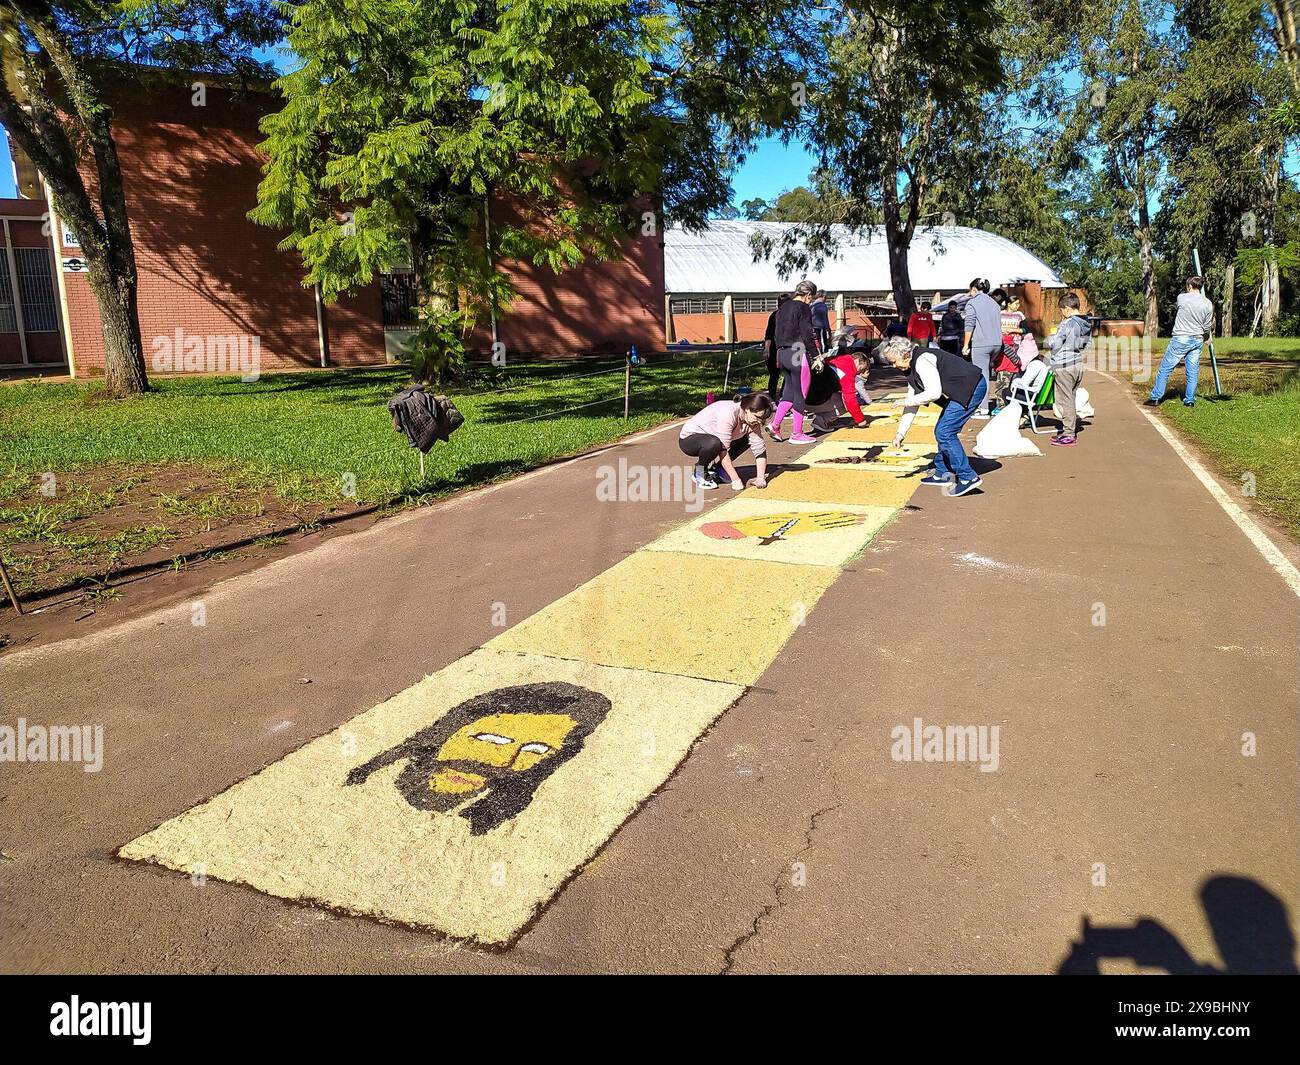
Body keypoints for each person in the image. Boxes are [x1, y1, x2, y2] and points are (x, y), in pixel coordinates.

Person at [880, 342, 988, 497]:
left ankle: (967, 477)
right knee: (942, 430)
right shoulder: (910, 368)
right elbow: (913, 401)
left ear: (904, 355)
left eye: (893, 362)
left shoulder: (922, 360)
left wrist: (905, 401)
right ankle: (942, 472)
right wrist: (900, 433)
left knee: (944, 432)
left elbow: (934, 393)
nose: (893, 366)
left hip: (972, 386)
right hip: (963, 388)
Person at [679, 392, 773, 490]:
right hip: (689, 440)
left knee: (747, 439)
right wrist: (736, 480)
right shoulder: (728, 413)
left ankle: (718, 468)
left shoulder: (752, 421)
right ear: (747, 409)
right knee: (714, 443)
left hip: (714, 440)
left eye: (762, 419)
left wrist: (761, 478)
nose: (759, 422)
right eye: (757, 417)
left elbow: (759, 448)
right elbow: (723, 450)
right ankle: (700, 472)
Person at [1146, 276, 1214, 408]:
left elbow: (1180, 308)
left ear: (1189, 286)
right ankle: (1189, 400)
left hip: (1181, 337)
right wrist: (1206, 337)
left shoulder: (1182, 298)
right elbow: (1207, 325)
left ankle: (1155, 397)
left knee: (1165, 369)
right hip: (1197, 339)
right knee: (1192, 372)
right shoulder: (1208, 303)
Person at [769, 279, 821, 444]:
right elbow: (807, 333)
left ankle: (775, 425)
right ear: (807, 295)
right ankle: (797, 433)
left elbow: (776, 333)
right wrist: (816, 355)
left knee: (789, 393)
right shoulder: (803, 308)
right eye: (811, 298)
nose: (810, 301)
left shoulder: (782, 308)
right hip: (798, 352)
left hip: (782, 353)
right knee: (801, 394)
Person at [1045, 292, 1090, 446]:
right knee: (1070, 396)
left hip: (1064, 364)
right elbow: (1086, 344)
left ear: (1066, 308)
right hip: (1077, 362)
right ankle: (1068, 430)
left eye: (1061, 310)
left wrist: (1049, 340)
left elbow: (1055, 343)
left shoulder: (1068, 323)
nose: (1061, 313)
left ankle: (1069, 433)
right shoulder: (1086, 323)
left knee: (1065, 399)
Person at [804, 347, 873, 432]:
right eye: (862, 369)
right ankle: (822, 421)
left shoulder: (835, 359)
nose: (859, 372)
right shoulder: (847, 371)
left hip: (803, 397)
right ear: (857, 362)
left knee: (834, 393)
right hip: (814, 401)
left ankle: (823, 416)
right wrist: (861, 420)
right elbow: (850, 400)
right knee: (847, 401)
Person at [962, 278, 1002, 418]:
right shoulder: (995, 304)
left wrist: (966, 345)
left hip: (981, 344)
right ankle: (989, 403)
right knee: (988, 374)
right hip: (997, 343)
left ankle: (982, 408)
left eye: (970, 290)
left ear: (974, 289)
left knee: (981, 376)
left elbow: (969, 325)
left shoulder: (972, 303)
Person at [1010, 320, 1048, 413]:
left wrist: (1014, 382)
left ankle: (1022, 416)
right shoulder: (1041, 364)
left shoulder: (1034, 365)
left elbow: (1024, 383)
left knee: (1006, 392)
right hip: (1038, 394)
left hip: (1032, 395)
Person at [763, 294, 790, 400]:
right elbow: (769, 334)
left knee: (785, 376)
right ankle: (774, 398)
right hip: (777, 350)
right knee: (777, 376)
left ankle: (781, 398)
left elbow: (768, 334)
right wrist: (766, 349)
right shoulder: (775, 316)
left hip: (784, 350)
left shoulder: (779, 315)